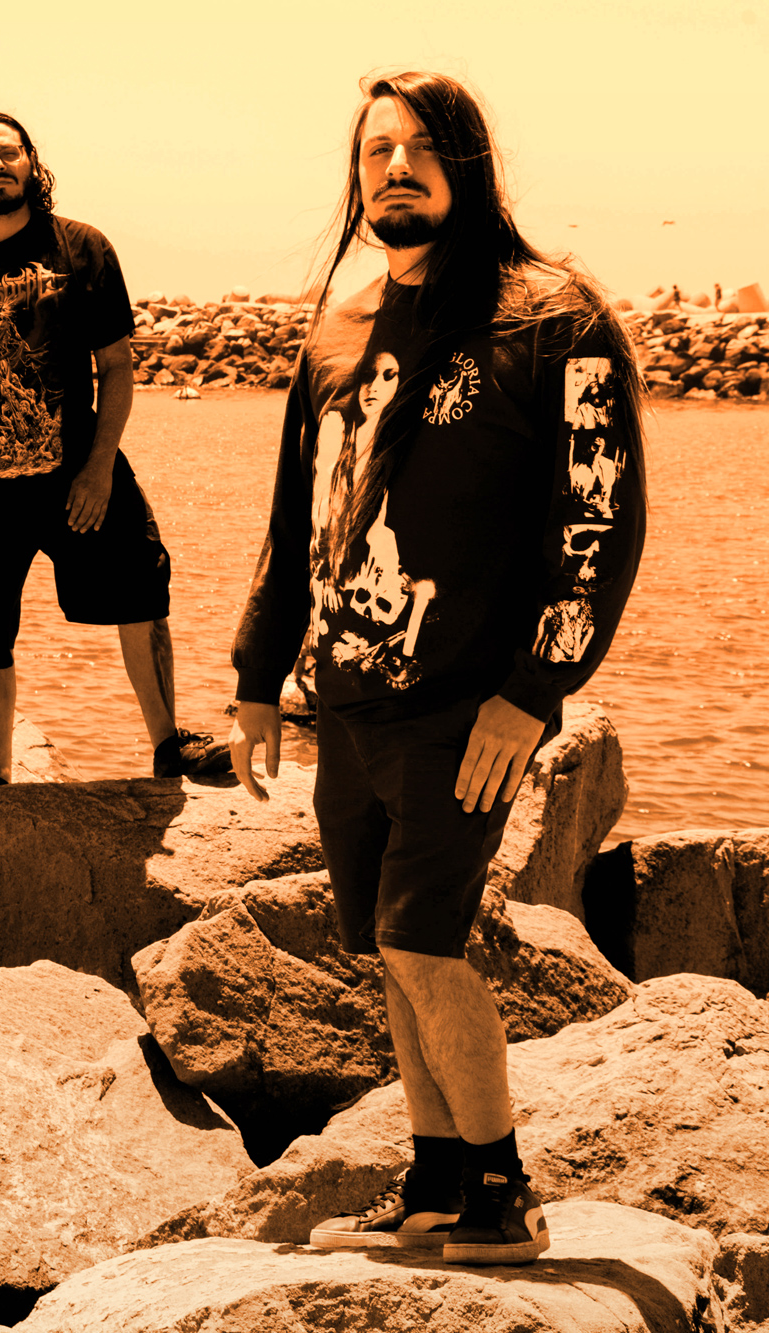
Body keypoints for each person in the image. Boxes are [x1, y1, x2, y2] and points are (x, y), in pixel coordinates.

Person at [228, 71, 646, 1265]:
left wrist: (531, 692)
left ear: (466, 163)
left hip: (462, 705)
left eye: (420, 147)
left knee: (422, 940)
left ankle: (503, 1193)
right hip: (345, 701)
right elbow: (296, 511)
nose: (394, 169)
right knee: (384, 947)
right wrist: (257, 672)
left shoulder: (549, 317)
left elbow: (596, 522)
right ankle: (434, 1183)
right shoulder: (339, 326)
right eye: (375, 151)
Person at [0, 111, 232, 786]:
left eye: (9, 153)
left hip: (75, 476)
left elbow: (117, 367)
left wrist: (100, 469)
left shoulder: (81, 250)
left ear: (30, 163)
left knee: (140, 585)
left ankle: (169, 745)